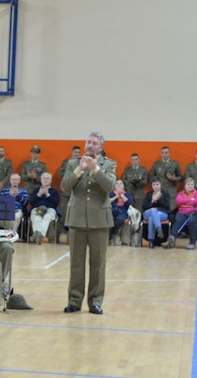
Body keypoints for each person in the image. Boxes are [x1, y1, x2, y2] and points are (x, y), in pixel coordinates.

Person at [61, 132, 116, 315]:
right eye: (88, 142)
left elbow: (109, 186)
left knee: (97, 264)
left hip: (99, 220)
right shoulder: (72, 163)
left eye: (94, 143)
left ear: (100, 147)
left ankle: (96, 302)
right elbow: (65, 187)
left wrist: (95, 169)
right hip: (77, 219)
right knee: (76, 263)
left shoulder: (109, 164)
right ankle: (74, 301)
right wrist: (80, 169)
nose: (90, 145)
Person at [167, 177, 197, 250]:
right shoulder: (180, 193)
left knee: (191, 221)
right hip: (182, 212)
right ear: (184, 186)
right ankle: (172, 236)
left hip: (196, 213)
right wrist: (192, 200)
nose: (190, 186)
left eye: (192, 184)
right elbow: (178, 202)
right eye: (188, 184)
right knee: (178, 219)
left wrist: (185, 201)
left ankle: (192, 243)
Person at [28, 172, 60, 244]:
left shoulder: (54, 191)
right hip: (37, 209)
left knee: (47, 217)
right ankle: (39, 236)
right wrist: (39, 194)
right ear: (41, 180)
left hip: (50, 209)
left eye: (47, 178)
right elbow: (31, 202)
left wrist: (47, 195)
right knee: (37, 218)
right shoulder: (36, 190)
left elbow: (56, 202)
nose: (45, 180)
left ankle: (39, 236)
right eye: (44, 178)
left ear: (50, 181)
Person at [142, 177, 171, 248]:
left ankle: (151, 241)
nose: (156, 186)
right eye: (154, 185)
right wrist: (152, 200)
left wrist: (159, 199)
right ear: (152, 186)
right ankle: (159, 229)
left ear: (160, 185)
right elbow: (144, 206)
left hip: (162, 213)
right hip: (148, 212)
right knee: (152, 211)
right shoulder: (149, 194)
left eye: (157, 184)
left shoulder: (165, 194)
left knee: (152, 218)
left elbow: (167, 206)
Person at [108, 179, 132, 245]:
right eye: (117, 183)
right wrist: (116, 196)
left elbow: (128, 202)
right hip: (112, 211)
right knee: (110, 220)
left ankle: (111, 235)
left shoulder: (127, 194)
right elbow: (107, 202)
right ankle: (111, 236)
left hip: (122, 212)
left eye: (121, 183)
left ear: (124, 186)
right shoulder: (111, 193)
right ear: (114, 186)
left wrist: (121, 195)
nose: (119, 185)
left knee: (120, 219)